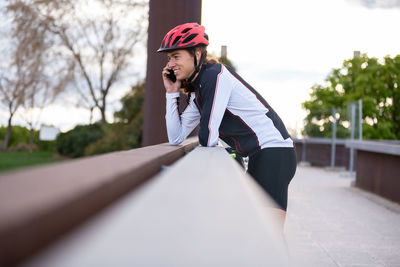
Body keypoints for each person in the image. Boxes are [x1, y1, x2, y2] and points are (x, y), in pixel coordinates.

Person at [158, 22, 297, 227]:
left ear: (197, 53)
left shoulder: (217, 76)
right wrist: (171, 93)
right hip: (258, 156)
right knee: (255, 233)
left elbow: (208, 137)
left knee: (269, 234)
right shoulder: (198, 92)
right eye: (169, 58)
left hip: (275, 152)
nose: (170, 64)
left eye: (176, 56)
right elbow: (176, 137)